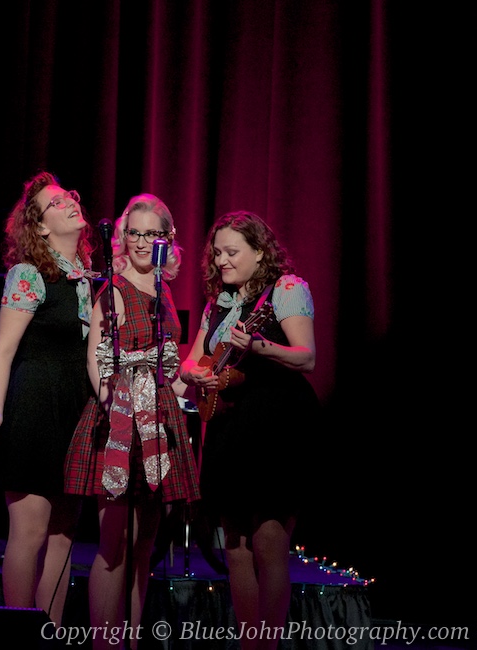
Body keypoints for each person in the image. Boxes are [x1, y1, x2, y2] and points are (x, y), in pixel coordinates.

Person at [64, 193, 201, 649]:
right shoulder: (114, 289)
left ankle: (131, 641)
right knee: (115, 547)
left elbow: (165, 362)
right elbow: (96, 359)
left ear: (168, 238)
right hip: (121, 419)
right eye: (134, 233)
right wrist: (116, 412)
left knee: (145, 547)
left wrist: (182, 389)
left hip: (158, 420)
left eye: (152, 234)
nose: (141, 242)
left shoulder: (163, 290)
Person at [179, 211, 320, 650]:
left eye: (232, 252)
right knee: (235, 545)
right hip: (229, 425)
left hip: (276, 423)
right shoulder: (218, 303)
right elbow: (192, 360)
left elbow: (306, 356)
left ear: (260, 252)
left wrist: (259, 345)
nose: (221, 260)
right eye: (217, 252)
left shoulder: (286, 289)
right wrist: (194, 374)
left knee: (268, 540)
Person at [0, 170, 96, 625]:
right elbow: (3, 349)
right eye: (56, 202)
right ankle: (17, 634)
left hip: (76, 410)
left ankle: (51, 634)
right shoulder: (29, 274)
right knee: (30, 532)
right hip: (35, 406)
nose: (70, 202)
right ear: (40, 226)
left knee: (64, 535)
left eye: (70, 195)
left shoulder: (88, 278)